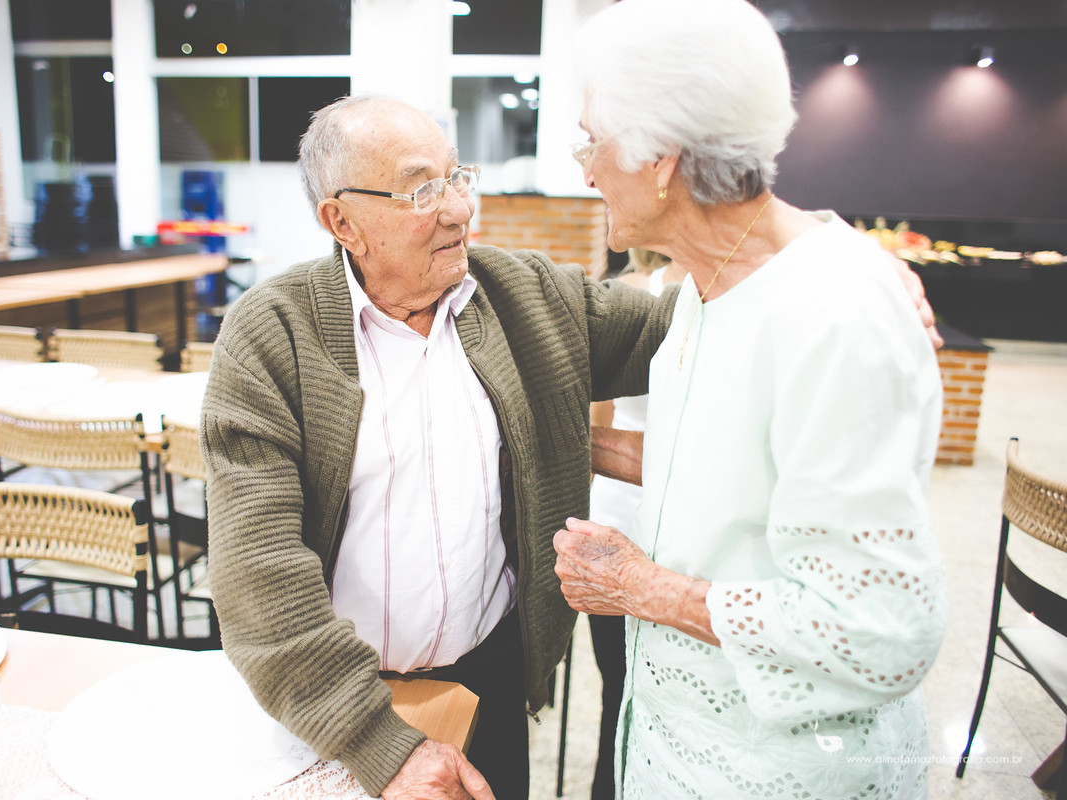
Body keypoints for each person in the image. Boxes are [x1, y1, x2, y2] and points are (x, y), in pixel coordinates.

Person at [199, 94, 679, 800]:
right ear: (342, 221)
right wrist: (379, 744)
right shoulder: (275, 333)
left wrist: (821, 263)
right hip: (332, 707)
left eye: (459, 178)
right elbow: (259, 574)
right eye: (424, 188)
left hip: (488, 682)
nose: (458, 209)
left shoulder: (523, 296)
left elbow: (673, 334)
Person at [553, 1, 947, 799]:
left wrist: (643, 589)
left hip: (783, 770)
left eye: (592, 140)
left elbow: (881, 634)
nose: (583, 168)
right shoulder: (709, 285)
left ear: (661, 157)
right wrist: (545, 438)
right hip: (686, 747)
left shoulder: (835, 314)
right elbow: (719, 471)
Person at [585, 248, 684, 800]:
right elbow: (598, 414)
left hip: (676, 535)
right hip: (623, 521)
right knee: (622, 692)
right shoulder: (633, 295)